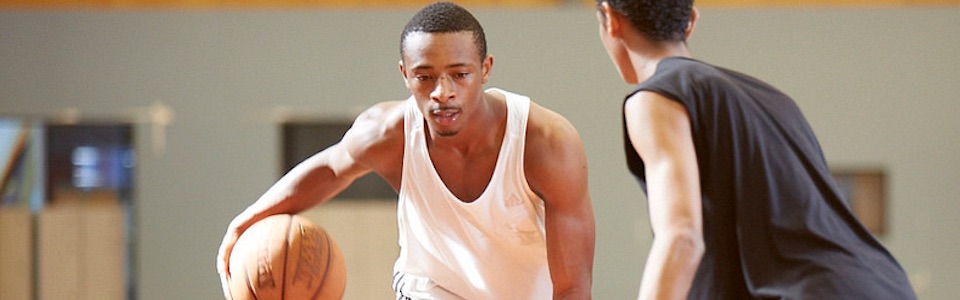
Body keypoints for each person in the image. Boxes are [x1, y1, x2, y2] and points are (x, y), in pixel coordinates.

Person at [217, 2, 595, 299]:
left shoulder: (545, 143)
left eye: (460, 74)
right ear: (405, 74)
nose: (442, 91)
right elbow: (331, 169)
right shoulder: (387, 133)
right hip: (427, 290)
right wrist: (243, 223)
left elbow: (572, 288)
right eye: (425, 76)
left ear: (486, 69)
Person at [594, 1, 916, 299]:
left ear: (610, 18)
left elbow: (681, 238)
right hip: (884, 284)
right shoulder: (773, 99)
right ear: (691, 21)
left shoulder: (656, 97)